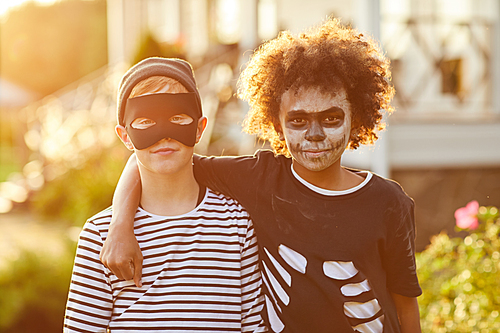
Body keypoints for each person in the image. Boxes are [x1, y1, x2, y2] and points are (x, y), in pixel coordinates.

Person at [101, 19, 422, 333]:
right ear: (276, 122)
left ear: (359, 114)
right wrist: (120, 225)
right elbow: (158, 155)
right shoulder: (259, 179)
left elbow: (406, 305)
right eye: (297, 120)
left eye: (331, 117)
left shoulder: (388, 202)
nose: (314, 134)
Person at [64, 57, 266, 333]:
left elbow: (254, 325)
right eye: (145, 121)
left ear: (199, 128)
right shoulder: (100, 237)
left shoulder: (237, 225)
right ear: (125, 136)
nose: (163, 135)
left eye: (177, 118)